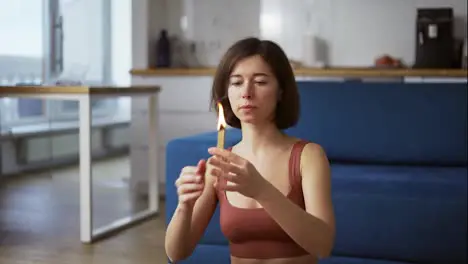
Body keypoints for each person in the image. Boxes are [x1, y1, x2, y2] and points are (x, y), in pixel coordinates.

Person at [165, 37, 335, 264]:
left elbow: (323, 245)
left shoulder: (309, 156)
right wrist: (184, 205)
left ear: (281, 91)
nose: (246, 92)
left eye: (261, 82)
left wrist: (261, 190)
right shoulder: (219, 165)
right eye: (236, 82)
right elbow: (176, 253)